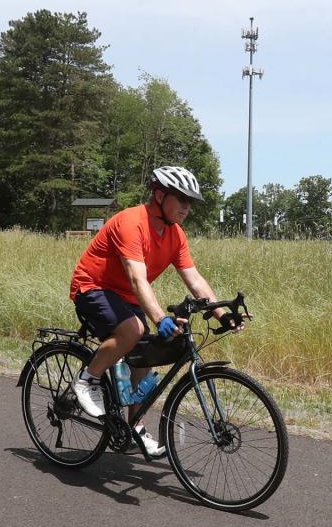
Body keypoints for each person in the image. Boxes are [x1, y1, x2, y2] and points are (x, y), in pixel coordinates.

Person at [69, 166, 241, 457]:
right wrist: (159, 318)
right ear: (159, 195)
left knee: (144, 356)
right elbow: (137, 278)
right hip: (92, 286)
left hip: (125, 295)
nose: (187, 207)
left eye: (190, 202)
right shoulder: (131, 222)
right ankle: (88, 379)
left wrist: (221, 314)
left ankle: (134, 428)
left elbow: (195, 279)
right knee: (133, 331)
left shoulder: (175, 235)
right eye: (181, 199)